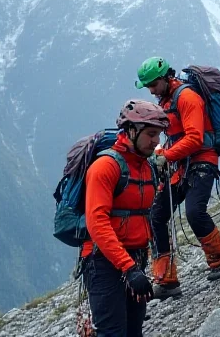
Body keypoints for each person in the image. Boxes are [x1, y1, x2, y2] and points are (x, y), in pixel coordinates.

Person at [135, 57, 220, 299]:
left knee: (194, 212)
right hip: (180, 164)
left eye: (153, 85)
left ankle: (219, 261)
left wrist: (165, 156)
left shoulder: (187, 98)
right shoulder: (168, 100)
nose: (151, 90)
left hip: (202, 160)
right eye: (148, 86)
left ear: (166, 78)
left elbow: (195, 138)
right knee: (156, 216)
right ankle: (166, 281)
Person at [80, 100, 167, 337]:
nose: (156, 141)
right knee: (112, 332)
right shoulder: (105, 167)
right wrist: (128, 268)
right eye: (150, 134)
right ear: (130, 131)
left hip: (135, 260)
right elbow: (97, 222)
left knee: (132, 330)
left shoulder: (146, 167)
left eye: (158, 134)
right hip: (104, 262)